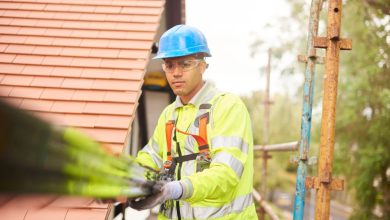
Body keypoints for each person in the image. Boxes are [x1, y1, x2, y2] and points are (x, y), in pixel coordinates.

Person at [130, 24, 257, 220]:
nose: (176, 73)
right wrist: (126, 182)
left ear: (203, 65)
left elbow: (226, 173)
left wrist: (177, 189)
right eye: (169, 65)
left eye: (185, 64)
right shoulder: (169, 114)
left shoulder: (228, 107)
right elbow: (151, 159)